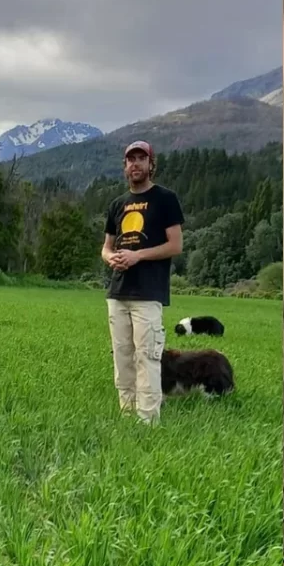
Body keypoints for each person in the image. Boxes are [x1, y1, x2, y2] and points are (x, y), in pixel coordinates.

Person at [101, 140, 184, 424]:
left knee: (147, 358)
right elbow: (106, 247)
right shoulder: (117, 205)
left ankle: (148, 421)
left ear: (151, 164)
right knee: (122, 357)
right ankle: (127, 417)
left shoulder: (165, 199)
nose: (135, 164)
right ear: (124, 167)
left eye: (141, 158)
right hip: (118, 291)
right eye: (130, 159)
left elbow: (175, 245)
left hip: (148, 294)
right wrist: (110, 258)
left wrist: (138, 256)